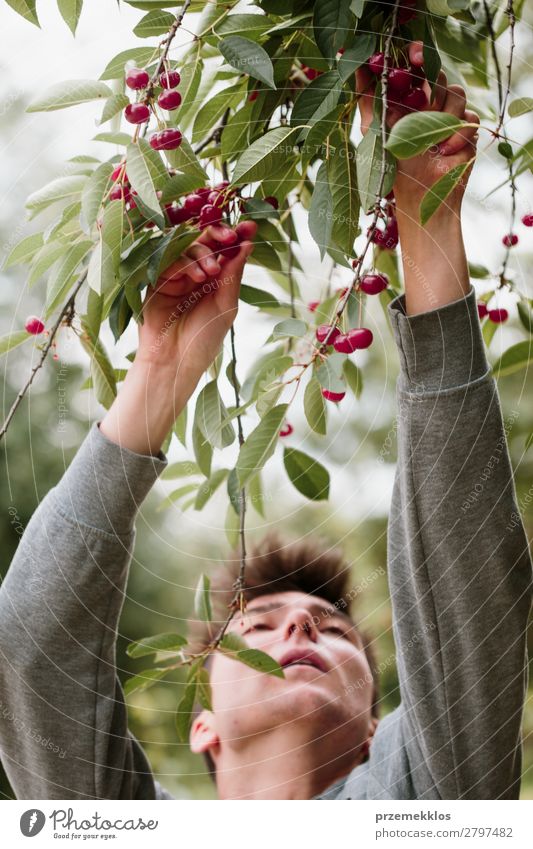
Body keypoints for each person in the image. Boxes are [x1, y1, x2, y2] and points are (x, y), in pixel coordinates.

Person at [0, 45, 531, 801]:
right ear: (202, 724)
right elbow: (31, 648)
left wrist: (424, 220)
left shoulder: (422, 797)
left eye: (338, 632)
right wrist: (159, 374)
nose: (302, 630)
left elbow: (469, 592)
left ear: (383, 726)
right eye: (257, 627)